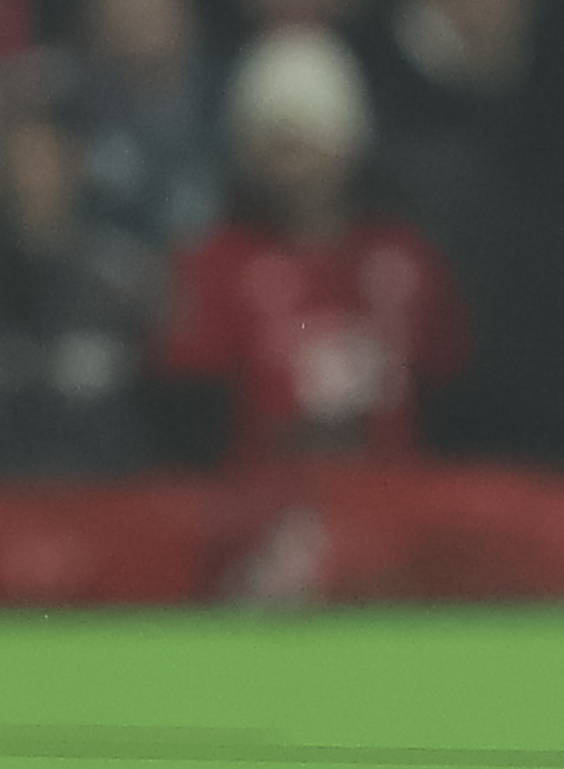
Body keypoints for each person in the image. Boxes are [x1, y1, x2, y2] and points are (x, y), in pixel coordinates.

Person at [155, 27, 471, 460]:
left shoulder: (405, 259)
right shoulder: (212, 265)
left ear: (345, 145)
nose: (293, 170)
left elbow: (451, 392)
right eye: (277, 149)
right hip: (263, 511)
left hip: (392, 509)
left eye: (307, 146)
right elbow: (189, 419)